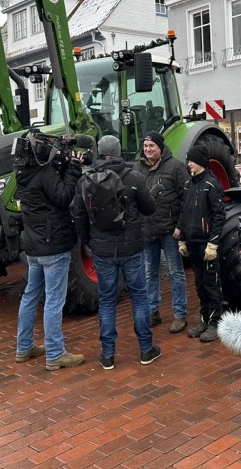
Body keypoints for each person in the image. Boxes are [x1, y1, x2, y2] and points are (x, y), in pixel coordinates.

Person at [72, 135, 158, 370]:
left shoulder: (85, 180)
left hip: (102, 250)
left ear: (99, 152)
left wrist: (88, 241)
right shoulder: (135, 177)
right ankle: (146, 349)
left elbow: (78, 214)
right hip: (132, 249)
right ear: (120, 151)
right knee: (139, 297)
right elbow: (150, 209)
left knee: (107, 301)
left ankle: (108, 354)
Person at [14, 132, 86, 371]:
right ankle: (55, 353)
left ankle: (24, 347)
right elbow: (64, 197)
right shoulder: (45, 174)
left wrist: (62, 167)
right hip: (53, 245)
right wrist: (74, 168)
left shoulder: (23, 173)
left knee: (30, 296)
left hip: (35, 246)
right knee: (54, 301)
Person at [134, 131, 189, 333]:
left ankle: (180, 314)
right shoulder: (138, 167)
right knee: (150, 273)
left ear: (160, 148)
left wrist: (180, 226)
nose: (148, 150)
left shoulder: (175, 168)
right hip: (147, 230)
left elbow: (186, 198)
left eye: (152, 146)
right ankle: (152, 311)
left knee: (176, 272)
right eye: (146, 146)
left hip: (169, 230)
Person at [174, 143, 226, 343]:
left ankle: (216, 323)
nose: (189, 164)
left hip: (207, 244)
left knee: (211, 283)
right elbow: (184, 213)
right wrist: (182, 239)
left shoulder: (212, 185)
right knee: (199, 284)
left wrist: (213, 244)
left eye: (192, 161)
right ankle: (205, 319)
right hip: (193, 243)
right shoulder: (189, 185)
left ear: (201, 162)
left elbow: (219, 216)